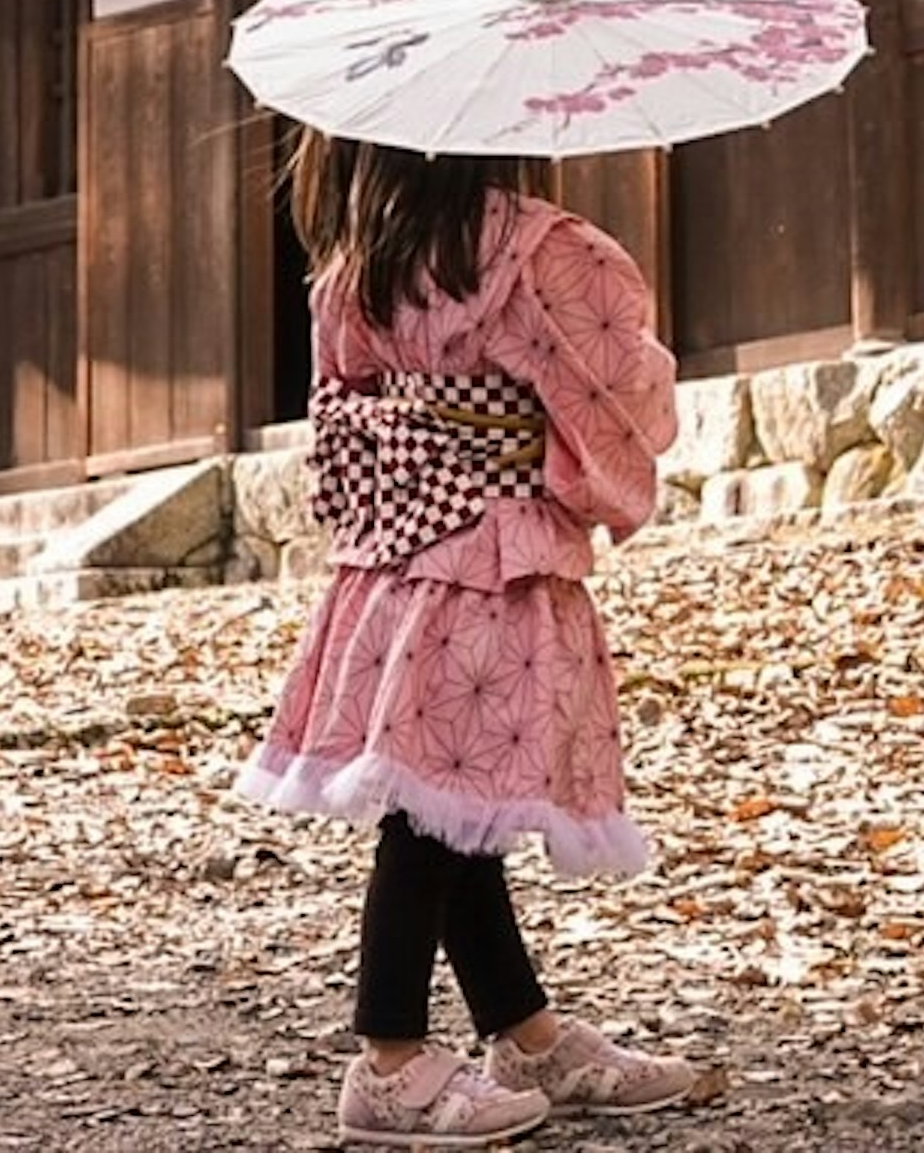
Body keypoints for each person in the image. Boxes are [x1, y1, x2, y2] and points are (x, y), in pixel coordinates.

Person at [236, 129, 719, 1142]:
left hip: (397, 563)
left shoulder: (355, 273)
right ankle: (390, 1055)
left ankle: (526, 1031)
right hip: (493, 561)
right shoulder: (549, 252)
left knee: (456, 809)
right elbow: (623, 395)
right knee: (430, 821)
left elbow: (341, 424)